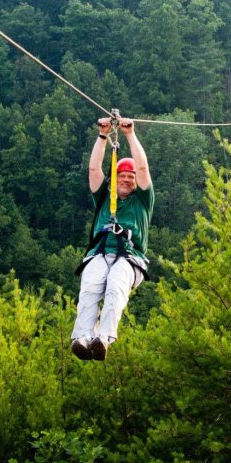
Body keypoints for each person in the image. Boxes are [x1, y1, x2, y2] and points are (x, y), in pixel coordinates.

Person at [70, 117, 154, 361]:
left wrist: (129, 135)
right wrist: (103, 135)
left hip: (130, 258)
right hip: (100, 253)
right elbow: (94, 169)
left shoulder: (142, 201)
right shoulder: (105, 198)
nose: (127, 179)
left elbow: (143, 168)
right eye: (122, 176)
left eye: (131, 177)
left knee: (116, 287)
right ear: (115, 179)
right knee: (90, 287)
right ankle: (82, 337)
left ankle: (104, 338)